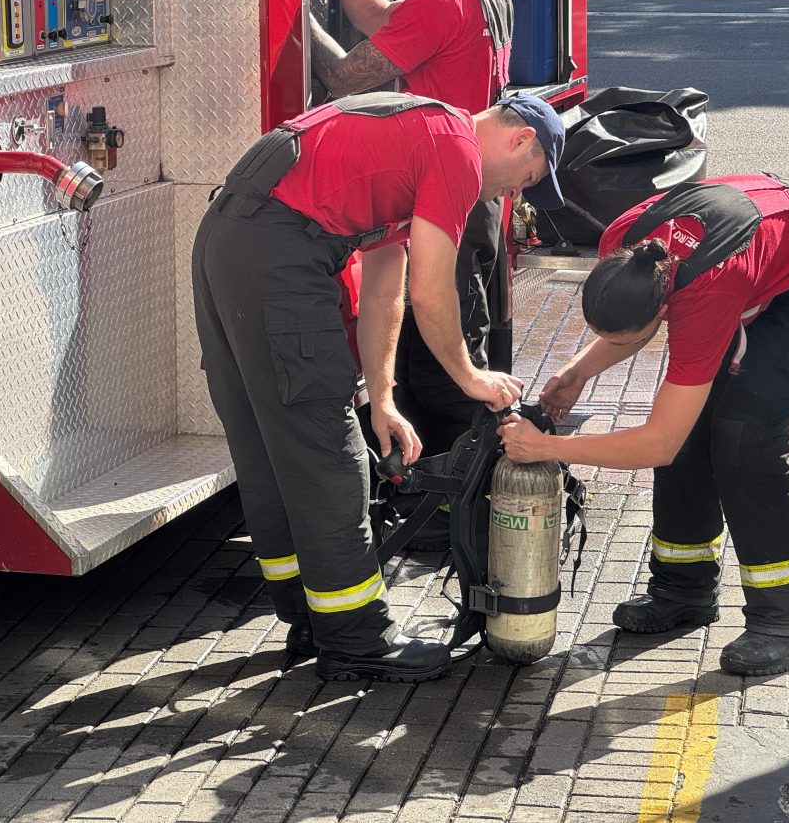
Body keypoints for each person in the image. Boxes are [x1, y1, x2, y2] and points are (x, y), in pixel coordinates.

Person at [192, 91, 564, 683]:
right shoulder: (457, 151)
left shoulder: (416, 138)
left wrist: (384, 399)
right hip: (279, 249)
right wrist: (471, 377)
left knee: (274, 448)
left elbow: (387, 286)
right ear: (521, 140)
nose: (509, 195)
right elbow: (433, 291)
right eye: (528, 177)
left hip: (231, 238)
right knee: (328, 453)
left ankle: (309, 615)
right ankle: (357, 638)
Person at [496, 174, 789, 676]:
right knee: (695, 425)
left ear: (665, 308)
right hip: (763, 253)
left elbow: (658, 443)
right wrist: (575, 373)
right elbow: (632, 337)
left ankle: (788, 624)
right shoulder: (625, 242)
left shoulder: (704, 292)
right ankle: (682, 590)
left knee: (745, 437)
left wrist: (548, 447)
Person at [308, 0, 517, 512]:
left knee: (439, 356)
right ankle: (466, 497)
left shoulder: (442, 2)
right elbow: (390, 22)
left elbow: (347, 78)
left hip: (442, 196)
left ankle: (459, 508)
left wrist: (291, 11)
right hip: (474, 195)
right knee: (467, 338)